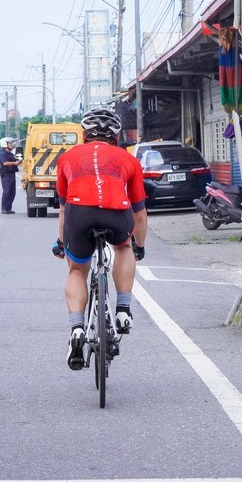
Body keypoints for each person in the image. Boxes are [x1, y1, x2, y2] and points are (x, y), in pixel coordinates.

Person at [52, 108, 147, 371]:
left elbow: (63, 209)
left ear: (84, 134)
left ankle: (77, 328)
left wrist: (62, 243)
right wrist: (138, 245)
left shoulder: (67, 158)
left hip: (79, 215)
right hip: (117, 216)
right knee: (124, 247)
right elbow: (139, 212)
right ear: (115, 136)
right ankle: (123, 310)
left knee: (76, 269)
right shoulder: (129, 160)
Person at [0, 137, 20, 214]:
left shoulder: (11, 154)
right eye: (10, 143)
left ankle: (9, 208)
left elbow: (16, 161)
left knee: (12, 192)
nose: (11, 145)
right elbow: (5, 163)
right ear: (5, 144)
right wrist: (14, 163)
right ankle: (4, 208)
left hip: (12, 174)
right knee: (6, 192)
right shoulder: (2, 154)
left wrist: (19, 160)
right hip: (6, 175)